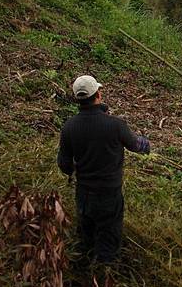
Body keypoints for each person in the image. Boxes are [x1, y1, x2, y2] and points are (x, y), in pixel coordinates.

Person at [57, 75, 150, 267]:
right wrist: (146, 144)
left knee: (87, 238)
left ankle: (82, 274)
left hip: (83, 195)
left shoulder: (69, 127)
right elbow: (135, 145)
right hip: (109, 195)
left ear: (77, 99)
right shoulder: (115, 125)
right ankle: (101, 282)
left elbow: (64, 165)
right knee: (108, 242)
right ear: (98, 95)